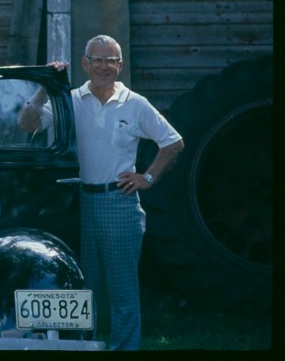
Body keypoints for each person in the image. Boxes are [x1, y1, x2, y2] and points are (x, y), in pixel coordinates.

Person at [18, 34, 184, 350]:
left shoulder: (135, 103)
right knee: (86, 286)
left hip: (119, 202)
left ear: (120, 65)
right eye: (97, 59)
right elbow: (27, 123)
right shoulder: (70, 100)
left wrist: (147, 177)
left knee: (122, 287)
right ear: (85, 63)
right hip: (81, 202)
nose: (104, 66)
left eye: (111, 60)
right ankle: (87, 346)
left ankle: (125, 348)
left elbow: (173, 142)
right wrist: (44, 85)